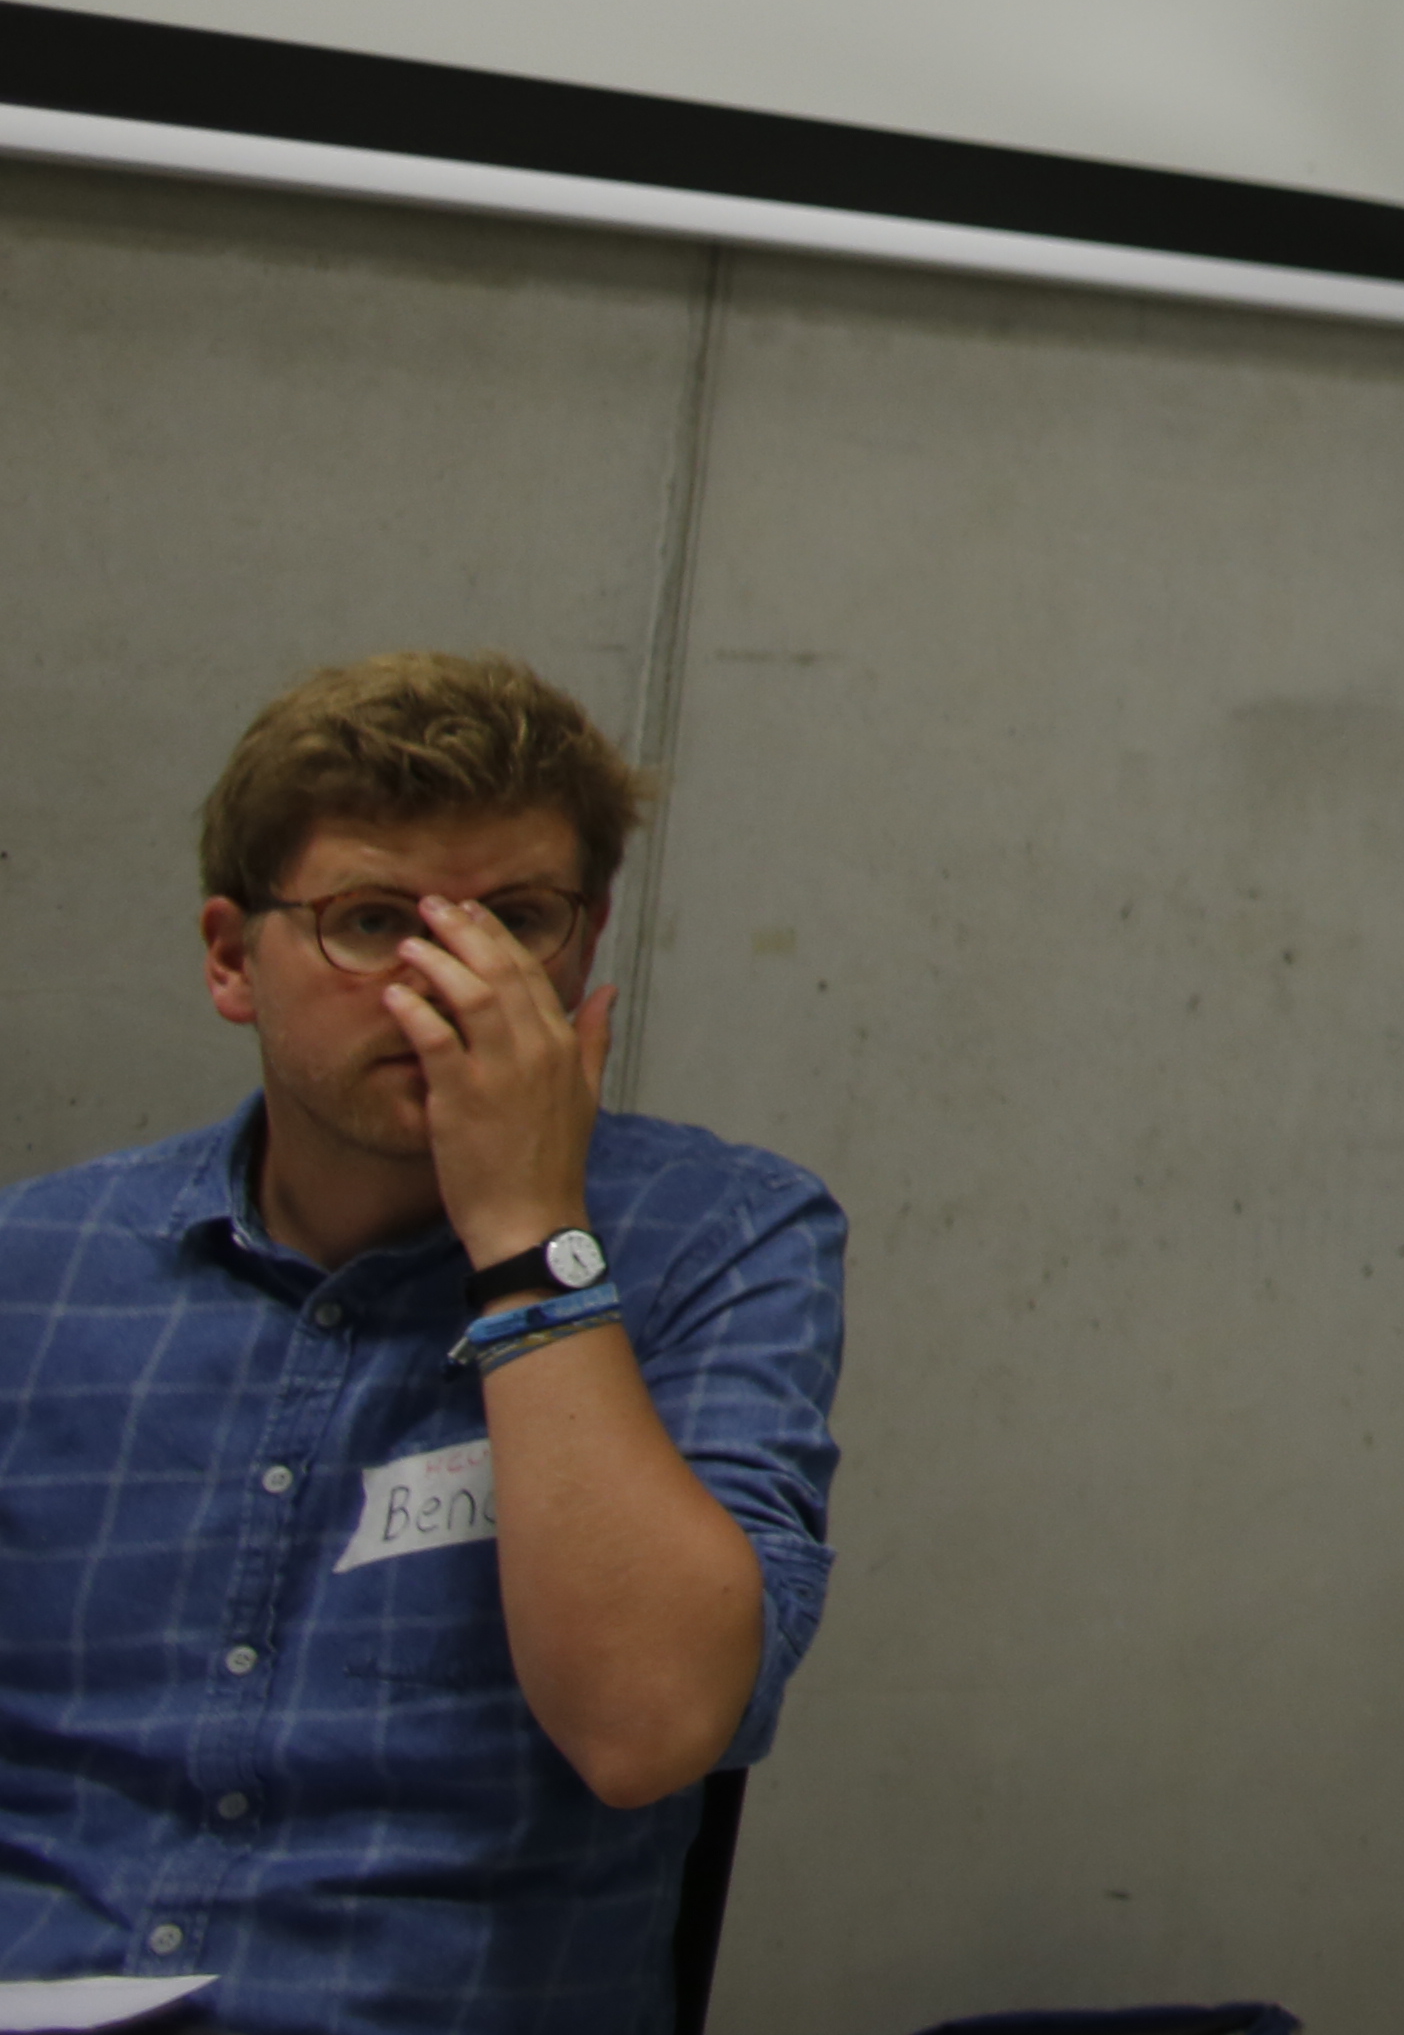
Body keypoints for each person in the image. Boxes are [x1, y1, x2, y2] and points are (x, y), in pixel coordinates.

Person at [0, 653, 845, 2026]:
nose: (448, 984)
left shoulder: (724, 1235)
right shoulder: (32, 1268)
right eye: (374, 920)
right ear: (233, 956)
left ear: (587, 940)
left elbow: (650, 1727)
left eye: (517, 919)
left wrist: (527, 1232)